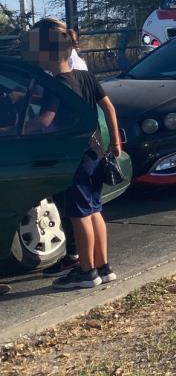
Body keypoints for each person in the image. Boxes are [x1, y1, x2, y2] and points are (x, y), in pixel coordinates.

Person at [25, 20, 121, 289]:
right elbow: (109, 107)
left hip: (74, 158)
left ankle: (86, 272)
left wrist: (19, 128)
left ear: (47, 53)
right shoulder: (84, 77)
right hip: (96, 152)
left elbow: (45, 120)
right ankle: (104, 266)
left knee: (79, 215)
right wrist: (115, 141)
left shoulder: (58, 85)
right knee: (95, 210)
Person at [26, 18, 88, 278]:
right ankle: (93, 264)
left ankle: (81, 262)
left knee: (77, 208)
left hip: (69, 146)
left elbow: (50, 115)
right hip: (77, 144)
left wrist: (21, 128)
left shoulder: (68, 71)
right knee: (84, 208)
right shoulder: (68, 72)